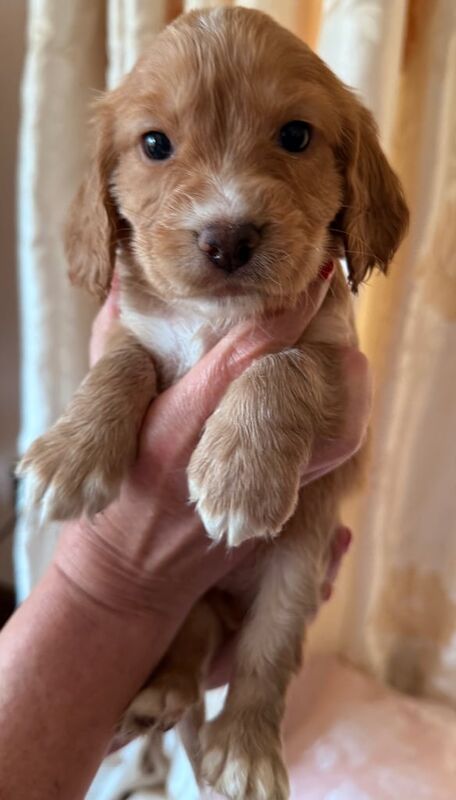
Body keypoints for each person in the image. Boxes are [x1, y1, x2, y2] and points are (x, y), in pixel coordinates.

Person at [0, 271, 371, 799]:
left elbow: (343, 381)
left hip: (275, 553)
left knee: (298, 558)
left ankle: (252, 718)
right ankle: (179, 671)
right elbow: (132, 348)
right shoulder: (147, 281)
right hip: (160, 608)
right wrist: (107, 568)